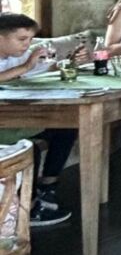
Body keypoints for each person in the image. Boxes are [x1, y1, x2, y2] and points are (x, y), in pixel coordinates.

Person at [0, 12, 82, 226]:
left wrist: (68, 62)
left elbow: (44, 69)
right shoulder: (20, 60)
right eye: (21, 40)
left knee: (67, 126)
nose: (27, 45)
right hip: (4, 123)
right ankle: (31, 207)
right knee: (28, 145)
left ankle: (48, 187)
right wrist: (25, 66)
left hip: (20, 116)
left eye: (29, 39)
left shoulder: (18, 55)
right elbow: (22, 70)